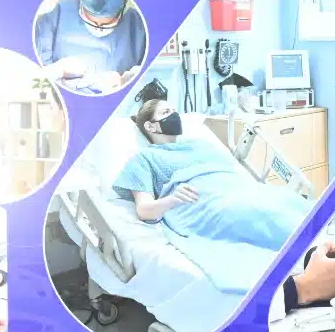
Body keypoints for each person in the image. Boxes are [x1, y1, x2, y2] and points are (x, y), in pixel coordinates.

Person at [113, 98, 309, 251]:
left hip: (238, 189)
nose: (174, 115)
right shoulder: (145, 158)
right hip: (204, 202)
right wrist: (171, 200)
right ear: (150, 126)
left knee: (289, 201)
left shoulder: (200, 144)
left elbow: (232, 173)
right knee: (259, 214)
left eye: (174, 110)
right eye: (166, 112)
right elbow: (144, 209)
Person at [34, 0, 149, 96]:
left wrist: (125, 81)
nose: (98, 28)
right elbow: (37, 74)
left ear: (124, 6)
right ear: (80, 3)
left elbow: (148, 71)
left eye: (106, 24)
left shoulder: (140, 26)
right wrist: (59, 70)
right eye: (92, 22)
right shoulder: (56, 13)